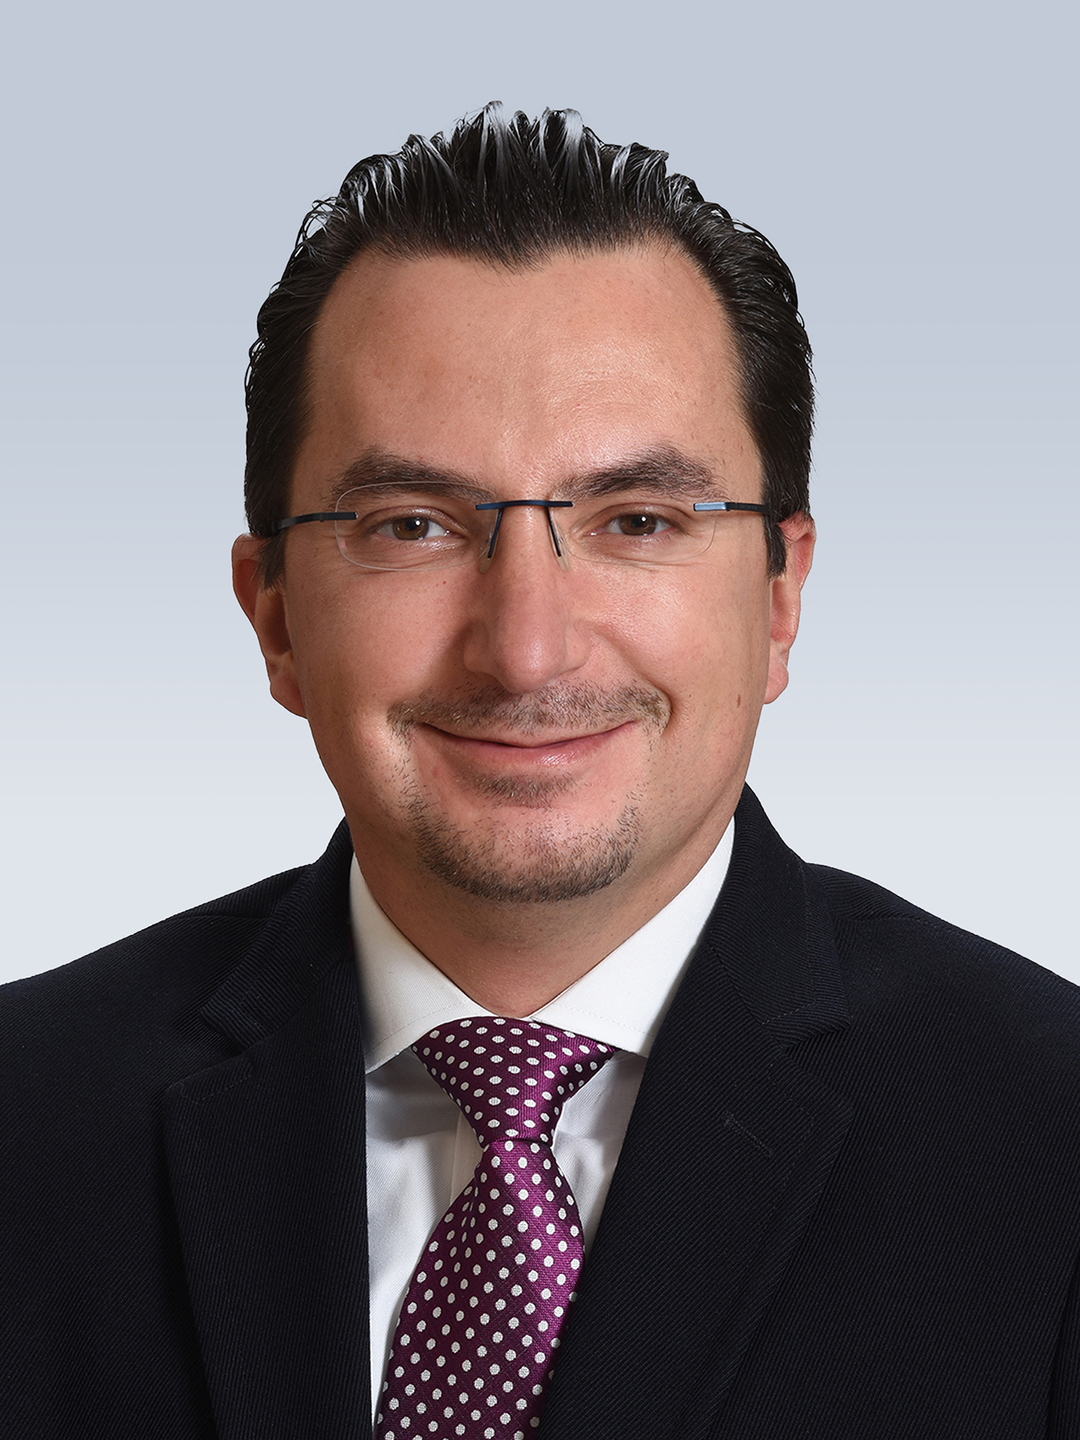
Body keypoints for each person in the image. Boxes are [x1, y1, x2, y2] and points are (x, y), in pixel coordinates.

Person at [3, 104, 1080, 1440]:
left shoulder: (1052, 1149)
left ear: (779, 595)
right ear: (273, 614)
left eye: (636, 521)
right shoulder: (25, 1122)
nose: (525, 649)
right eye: (412, 525)